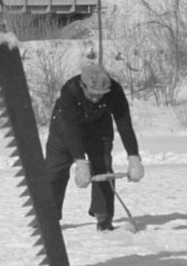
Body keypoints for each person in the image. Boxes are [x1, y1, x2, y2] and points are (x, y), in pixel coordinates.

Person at [44, 62, 145, 231]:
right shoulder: (70, 90)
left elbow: (124, 123)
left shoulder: (115, 91)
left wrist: (134, 157)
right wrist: (80, 162)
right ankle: (48, 219)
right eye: (92, 94)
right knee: (54, 171)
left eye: (101, 95)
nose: (96, 98)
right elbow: (71, 128)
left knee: (103, 168)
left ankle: (104, 218)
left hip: (99, 127)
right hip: (65, 128)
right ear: (83, 85)